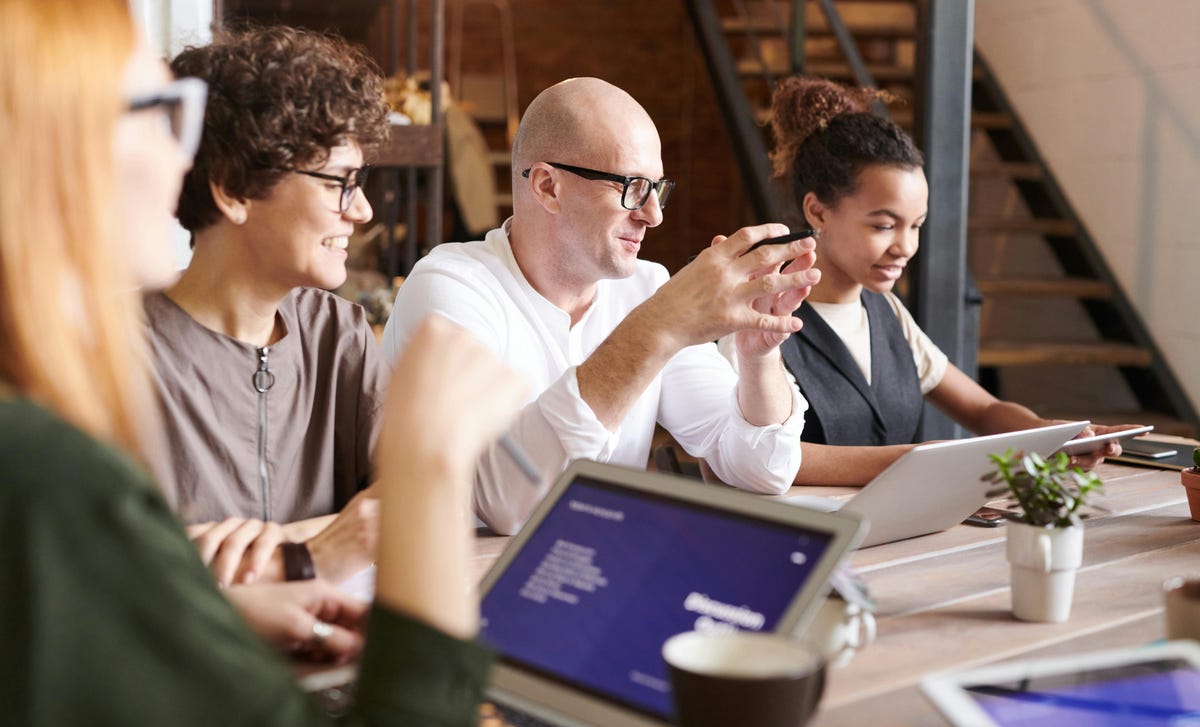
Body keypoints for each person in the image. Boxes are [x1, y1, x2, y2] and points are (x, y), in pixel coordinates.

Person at [0, 2, 526, 723]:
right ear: (231, 188)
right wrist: (409, 479)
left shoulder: (338, 332)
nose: (179, 153)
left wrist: (231, 597)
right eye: (158, 113)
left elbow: (116, 598)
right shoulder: (68, 411)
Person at [382, 77, 822, 535]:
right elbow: (507, 502)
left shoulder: (648, 288)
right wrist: (658, 326)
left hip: (602, 566)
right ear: (548, 187)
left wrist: (757, 356)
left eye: (657, 188)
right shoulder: (452, 287)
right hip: (466, 577)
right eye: (632, 186)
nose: (654, 215)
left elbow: (764, 471)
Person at [763, 76, 1137, 486]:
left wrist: (1051, 434)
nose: (905, 247)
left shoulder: (885, 310)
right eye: (884, 225)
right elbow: (759, 456)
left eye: (916, 225)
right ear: (817, 212)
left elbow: (983, 410)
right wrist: (917, 460)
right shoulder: (759, 315)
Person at [144, 26, 392, 586]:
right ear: (233, 188)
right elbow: (118, 570)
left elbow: (408, 505)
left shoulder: (339, 333)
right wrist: (320, 547)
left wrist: (275, 548)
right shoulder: (115, 355)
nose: (363, 211)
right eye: (338, 182)